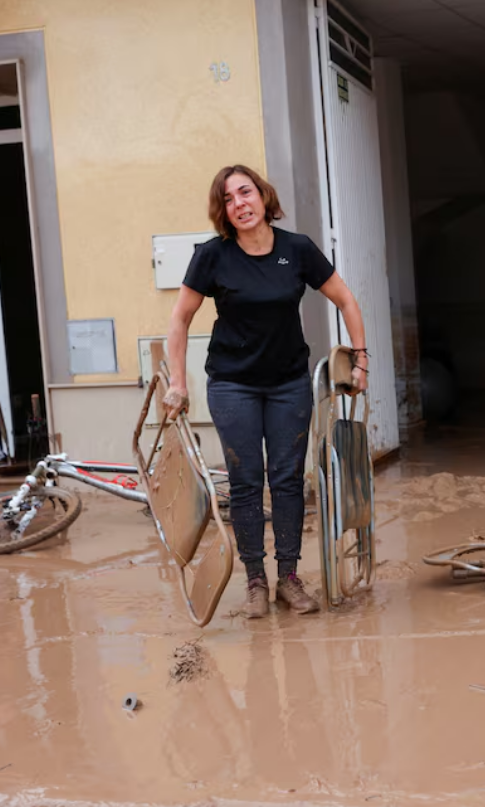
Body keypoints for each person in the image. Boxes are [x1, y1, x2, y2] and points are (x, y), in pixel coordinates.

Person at [163, 164, 369, 619]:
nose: (240, 203)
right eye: (229, 198)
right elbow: (179, 318)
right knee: (246, 480)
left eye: (246, 192)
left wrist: (361, 358)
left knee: (288, 479)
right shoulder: (213, 256)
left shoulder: (297, 249)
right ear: (224, 210)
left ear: (263, 196)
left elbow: (346, 299)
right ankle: (256, 580)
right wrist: (178, 382)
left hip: (288, 384)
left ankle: (289, 579)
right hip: (232, 384)